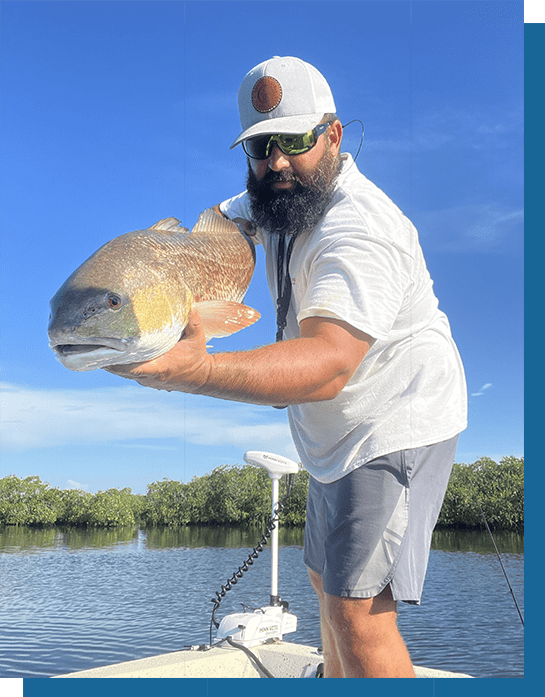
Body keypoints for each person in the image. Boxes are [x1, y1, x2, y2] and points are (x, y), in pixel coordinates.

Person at [109, 56, 468, 678]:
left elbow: (329, 363)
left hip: (395, 417)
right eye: (259, 146)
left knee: (357, 608)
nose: (276, 161)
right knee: (323, 576)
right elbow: (211, 231)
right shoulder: (273, 199)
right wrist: (157, 283)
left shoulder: (359, 225)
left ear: (332, 135)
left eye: (295, 141)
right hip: (331, 431)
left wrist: (194, 370)